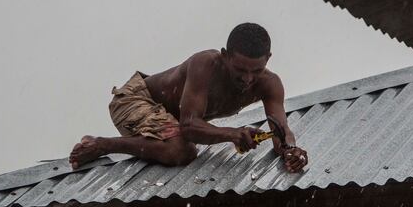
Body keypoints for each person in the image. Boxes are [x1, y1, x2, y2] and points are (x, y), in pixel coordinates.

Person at [69, 23, 308, 173]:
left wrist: (290, 151)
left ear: (268, 59)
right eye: (240, 70)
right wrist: (233, 134)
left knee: (182, 145)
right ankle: (102, 144)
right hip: (136, 99)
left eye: (255, 71)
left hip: (175, 118)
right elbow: (190, 126)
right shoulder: (205, 63)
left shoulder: (271, 84)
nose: (247, 79)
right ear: (225, 56)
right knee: (181, 151)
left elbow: (281, 129)